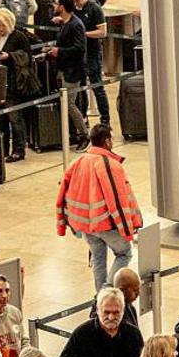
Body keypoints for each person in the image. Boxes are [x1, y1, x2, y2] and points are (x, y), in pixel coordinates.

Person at [55, 123, 144, 291]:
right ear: (107, 141)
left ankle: (99, 297)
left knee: (98, 258)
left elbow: (62, 194)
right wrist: (127, 228)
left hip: (86, 226)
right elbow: (117, 200)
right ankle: (107, 291)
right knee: (124, 253)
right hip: (106, 224)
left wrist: (62, 223)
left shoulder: (78, 162)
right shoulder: (110, 165)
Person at [0, 8, 37, 164]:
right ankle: (2, 149)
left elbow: (28, 58)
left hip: (14, 85)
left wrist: (9, 56)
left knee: (15, 119)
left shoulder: (18, 37)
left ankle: (18, 150)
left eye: (2, 25)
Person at [47, 0, 90, 150]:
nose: (53, 6)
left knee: (70, 105)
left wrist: (59, 52)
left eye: (56, 4)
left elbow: (80, 49)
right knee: (65, 104)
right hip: (63, 70)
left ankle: (85, 135)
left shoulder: (76, 25)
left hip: (72, 72)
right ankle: (72, 134)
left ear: (62, 7)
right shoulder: (66, 23)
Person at [68, 0, 108, 127]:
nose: (76, 3)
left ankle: (105, 120)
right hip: (79, 54)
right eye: (73, 1)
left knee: (97, 87)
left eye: (78, 0)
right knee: (81, 88)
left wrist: (83, 34)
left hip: (93, 53)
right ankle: (83, 117)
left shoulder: (94, 8)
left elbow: (103, 32)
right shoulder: (73, 9)